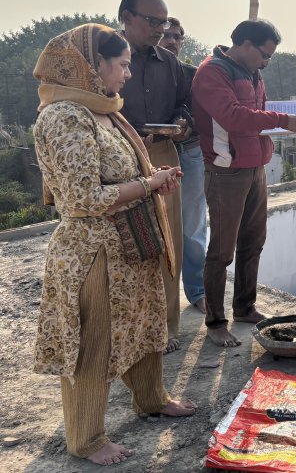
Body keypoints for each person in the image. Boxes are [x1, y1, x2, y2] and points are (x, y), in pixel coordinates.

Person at [32, 24, 196, 466]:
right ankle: (86, 438)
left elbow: (119, 175)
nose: (127, 74)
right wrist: (148, 183)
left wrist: (150, 182)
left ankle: (151, 397)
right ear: (92, 65)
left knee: (144, 325)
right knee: (95, 345)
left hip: (131, 245)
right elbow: (84, 199)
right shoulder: (66, 115)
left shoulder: (104, 109)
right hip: (95, 251)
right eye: (121, 65)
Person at [192, 19, 296, 347]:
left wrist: (294, 124)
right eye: (264, 55)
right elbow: (233, 116)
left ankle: (245, 307)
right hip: (226, 170)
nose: (266, 62)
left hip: (254, 166)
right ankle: (216, 321)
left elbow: (258, 116)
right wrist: (281, 121)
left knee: (253, 241)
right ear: (245, 44)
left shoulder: (251, 71)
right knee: (221, 250)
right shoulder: (212, 72)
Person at [117, 0, 189, 352]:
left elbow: (183, 107)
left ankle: (165, 328)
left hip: (163, 153)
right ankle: (129, 327)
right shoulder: (105, 57)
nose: (161, 29)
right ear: (127, 18)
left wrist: (180, 124)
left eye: (164, 22)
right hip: (118, 159)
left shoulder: (170, 63)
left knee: (167, 243)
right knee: (126, 244)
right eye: (152, 21)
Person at [159, 18, 207, 313]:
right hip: (153, 153)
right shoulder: (136, 72)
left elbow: (203, 114)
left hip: (189, 152)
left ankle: (198, 291)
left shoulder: (192, 75)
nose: (172, 41)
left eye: (177, 37)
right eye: (166, 36)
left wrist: (187, 124)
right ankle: (163, 299)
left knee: (193, 228)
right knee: (158, 228)